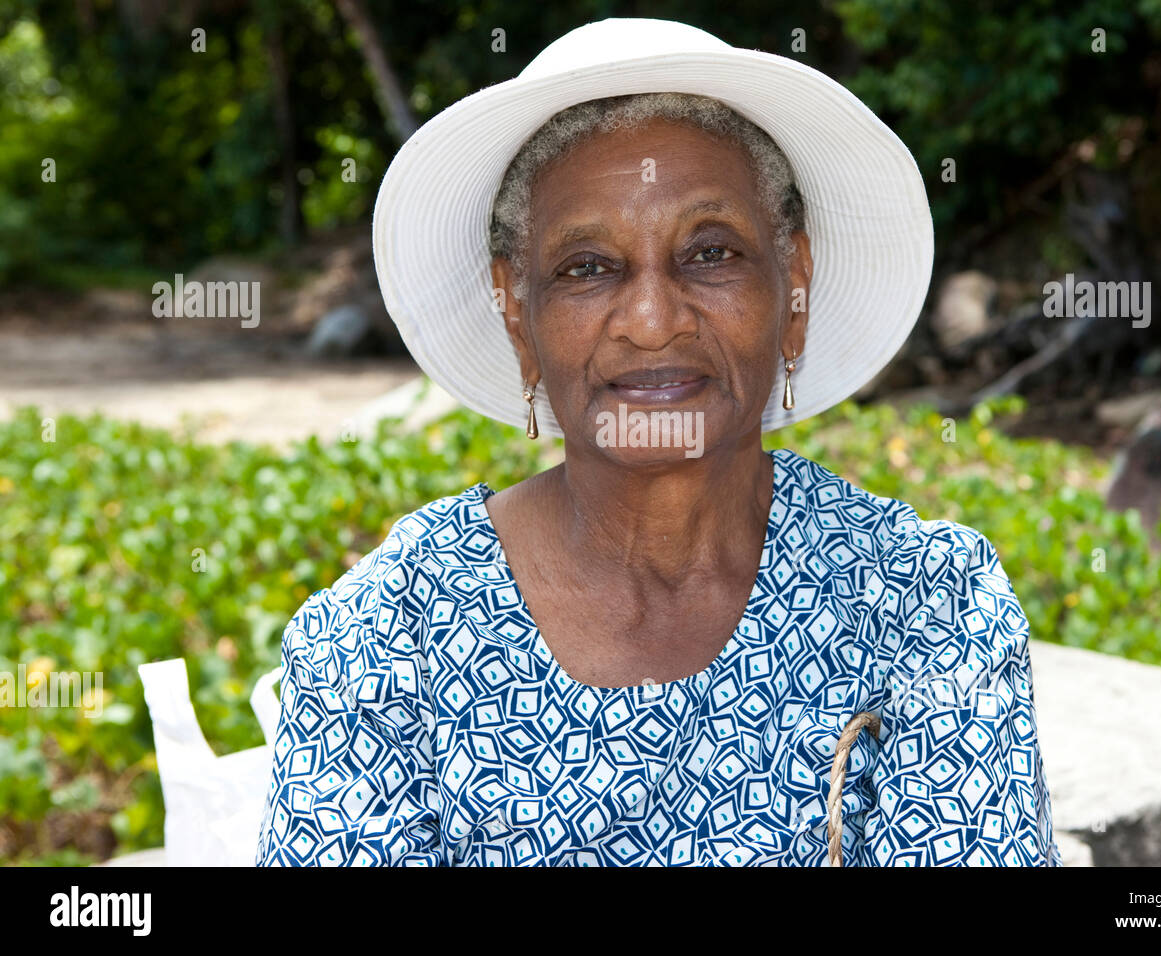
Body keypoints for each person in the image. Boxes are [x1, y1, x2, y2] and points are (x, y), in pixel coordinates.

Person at [255, 17, 1061, 866]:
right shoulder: (389, 639)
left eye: (710, 252)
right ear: (517, 315)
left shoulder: (925, 605)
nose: (650, 321)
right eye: (586, 267)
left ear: (793, 290)